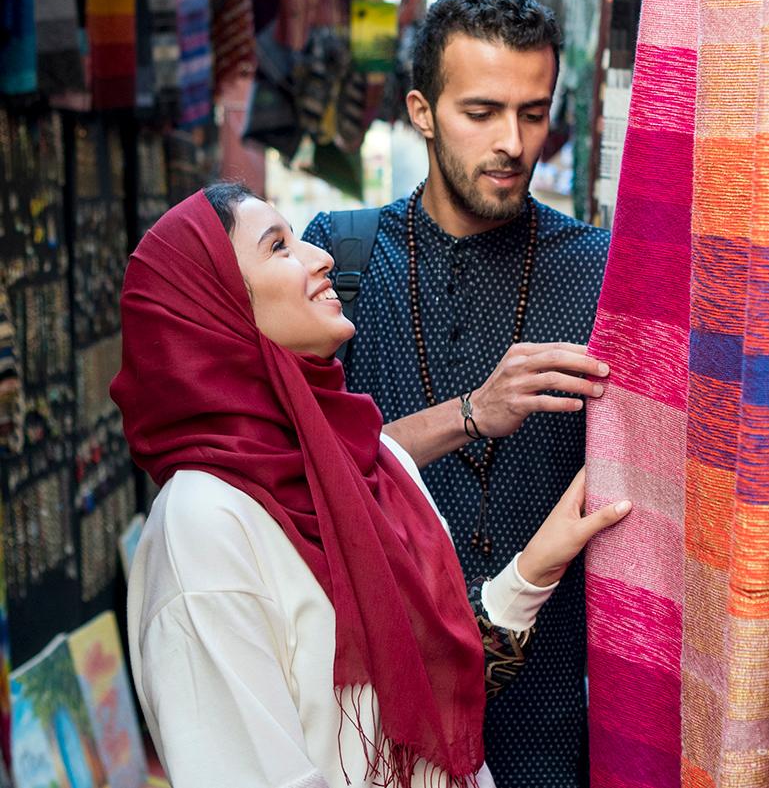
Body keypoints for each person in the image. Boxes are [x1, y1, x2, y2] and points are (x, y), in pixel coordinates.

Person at [113, 183, 629, 788]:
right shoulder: (203, 525)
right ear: (215, 309)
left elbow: (437, 670)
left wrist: (540, 562)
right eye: (278, 247)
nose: (319, 257)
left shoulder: (367, 464)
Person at [302, 0, 611, 788]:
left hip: (551, 730)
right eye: (482, 112)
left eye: (533, 112)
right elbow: (304, 473)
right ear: (422, 109)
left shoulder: (599, 271)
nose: (513, 141)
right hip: (375, 724)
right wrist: (474, 412)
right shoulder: (340, 259)